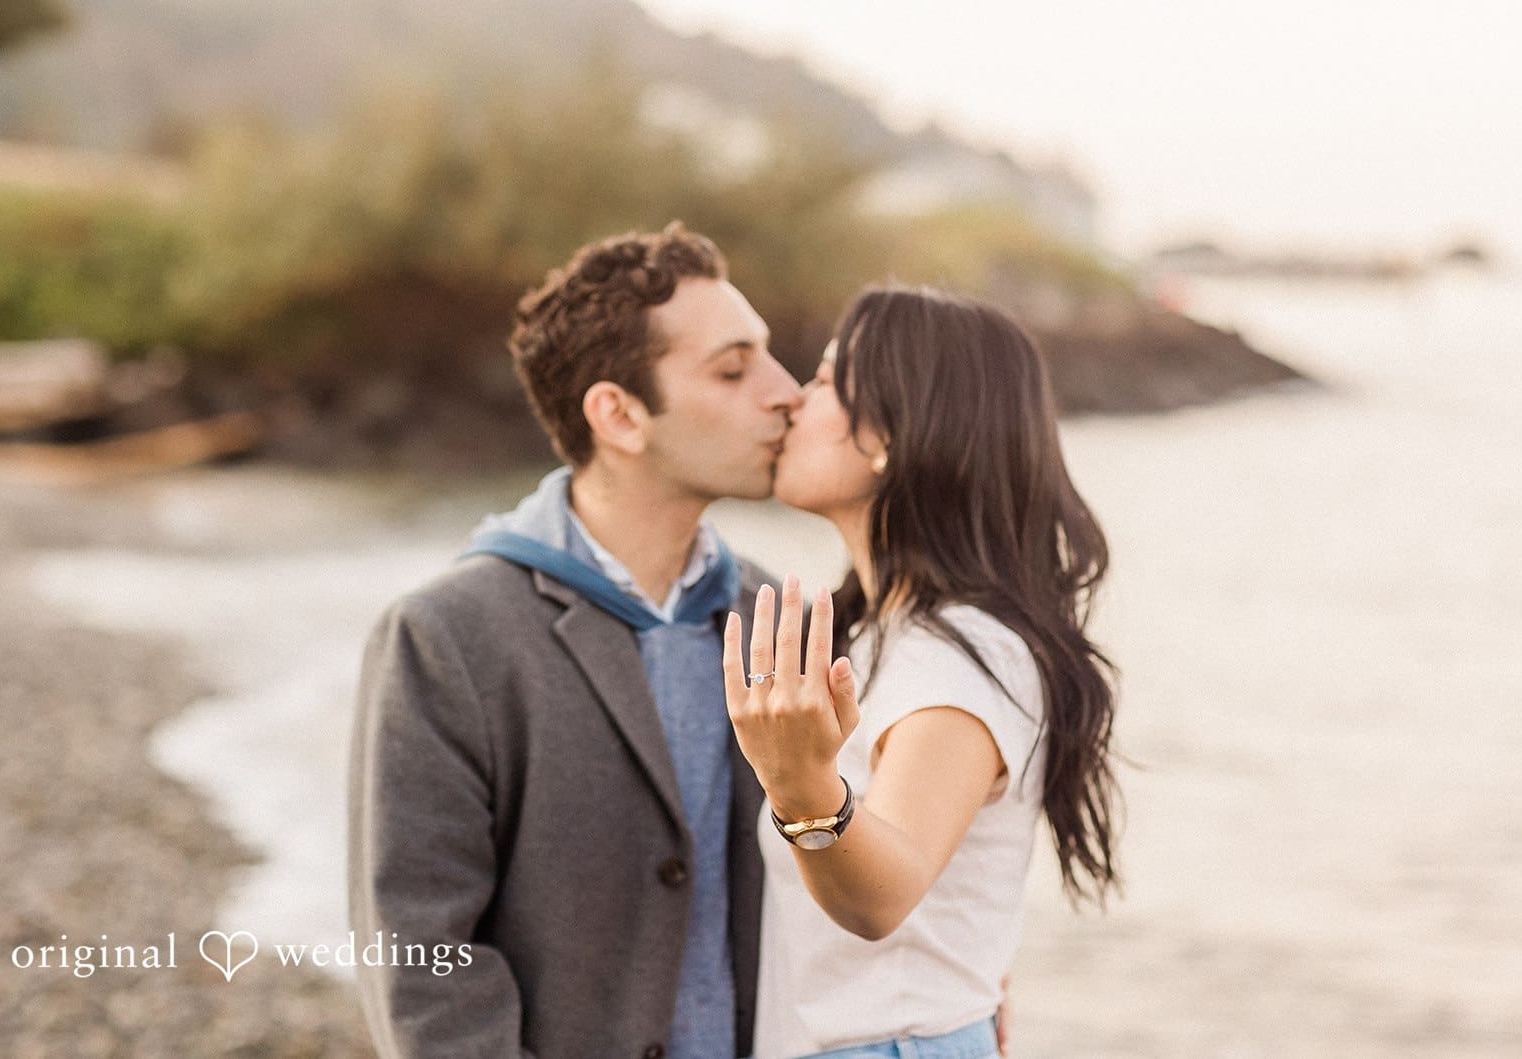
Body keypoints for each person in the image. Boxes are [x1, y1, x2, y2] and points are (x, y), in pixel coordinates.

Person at [347, 223, 804, 1058]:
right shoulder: (445, 635)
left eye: (770, 359)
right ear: (619, 415)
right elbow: (420, 957)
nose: (788, 392)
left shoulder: (773, 611)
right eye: (734, 369)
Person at [723, 286, 1121, 1059]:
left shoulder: (961, 653)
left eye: (828, 378)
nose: (793, 402)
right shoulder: (883, 631)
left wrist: (801, 783)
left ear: (891, 436)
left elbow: (884, 895)